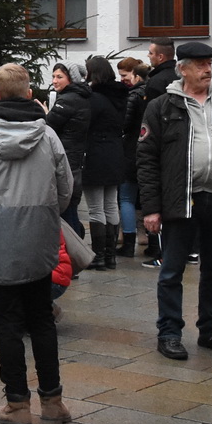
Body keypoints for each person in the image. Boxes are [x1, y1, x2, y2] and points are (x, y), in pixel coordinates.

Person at [0, 63, 74, 424]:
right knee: (42, 320)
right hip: (39, 242)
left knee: (8, 324)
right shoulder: (47, 137)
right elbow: (65, 190)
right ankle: (53, 402)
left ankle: (17, 404)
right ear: (30, 95)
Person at [138, 41, 212, 361]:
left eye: (210, 64)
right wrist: (151, 208)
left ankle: (211, 329)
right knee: (172, 269)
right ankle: (170, 332)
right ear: (183, 69)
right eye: (200, 64)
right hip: (181, 199)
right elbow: (147, 160)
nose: (207, 69)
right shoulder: (162, 107)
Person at [124, 40, 176, 264]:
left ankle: (159, 250)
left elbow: (150, 119)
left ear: (161, 57)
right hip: (174, 147)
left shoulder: (156, 82)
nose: (148, 55)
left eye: (151, 53)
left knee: (154, 198)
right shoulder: (177, 76)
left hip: (158, 146)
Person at [80, 56, 127, 271]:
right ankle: (110, 256)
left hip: (96, 153)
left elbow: (85, 124)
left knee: (96, 208)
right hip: (116, 152)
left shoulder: (93, 98)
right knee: (111, 204)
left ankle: (98, 256)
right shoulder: (120, 95)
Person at [44, 62, 91, 238]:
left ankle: (73, 250)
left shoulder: (68, 99)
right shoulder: (80, 97)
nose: (54, 81)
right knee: (71, 205)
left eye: (60, 77)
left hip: (67, 158)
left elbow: (49, 125)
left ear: (71, 79)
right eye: (54, 76)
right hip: (75, 156)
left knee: (67, 205)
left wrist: (46, 113)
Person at [114, 57, 148, 258]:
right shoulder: (154, 92)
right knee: (145, 195)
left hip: (131, 150)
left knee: (126, 196)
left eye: (125, 76)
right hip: (148, 150)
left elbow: (124, 124)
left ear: (135, 75)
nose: (123, 80)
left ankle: (128, 240)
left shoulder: (133, 96)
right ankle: (149, 237)